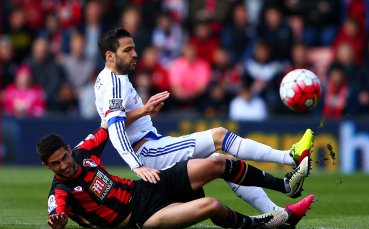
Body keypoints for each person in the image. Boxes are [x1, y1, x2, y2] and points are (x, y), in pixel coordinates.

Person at [95, 28, 314, 227]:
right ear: (110, 56)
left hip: (154, 145)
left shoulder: (108, 79)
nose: (135, 54)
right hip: (149, 153)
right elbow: (114, 127)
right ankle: (290, 159)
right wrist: (136, 166)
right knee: (219, 136)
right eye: (128, 50)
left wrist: (144, 110)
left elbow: (112, 120)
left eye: (134, 48)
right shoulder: (114, 82)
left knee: (224, 159)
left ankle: (277, 212)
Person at [37, 125, 312, 228]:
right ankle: (265, 224)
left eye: (64, 158)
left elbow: (109, 125)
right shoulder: (59, 192)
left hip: (145, 186)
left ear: (69, 150)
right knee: (212, 206)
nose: (64, 166)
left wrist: (142, 111)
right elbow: (57, 213)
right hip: (141, 219)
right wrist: (59, 223)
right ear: (47, 166)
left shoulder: (84, 152)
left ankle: (285, 185)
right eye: (55, 164)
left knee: (218, 162)